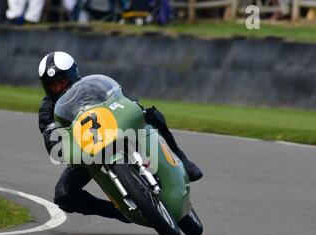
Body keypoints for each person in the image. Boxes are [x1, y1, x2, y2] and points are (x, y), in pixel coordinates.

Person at [38, 51, 203, 222]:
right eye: (52, 85)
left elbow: (123, 95)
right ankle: (120, 211)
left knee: (154, 115)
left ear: (73, 75)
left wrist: (137, 106)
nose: (58, 88)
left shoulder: (94, 85)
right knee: (63, 195)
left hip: (120, 131)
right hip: (87, 152)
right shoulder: (47, 109)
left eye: (61, 81)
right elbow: (50, 136)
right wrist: (59, 147)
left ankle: (183, 160)